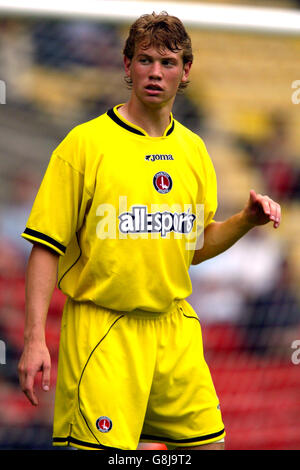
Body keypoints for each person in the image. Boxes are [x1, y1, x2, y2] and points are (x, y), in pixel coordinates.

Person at [18, 12, 281, 451]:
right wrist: (33, 341)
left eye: (168, 62)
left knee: (209, 447)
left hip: (173, 328)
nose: (155, 72)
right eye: (144, 60)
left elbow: (192, 248)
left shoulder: (194, 150)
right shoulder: (84, 145)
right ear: (126, 66)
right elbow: (45, 248)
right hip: (104, 332)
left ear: (186, 70)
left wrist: (244, 221)